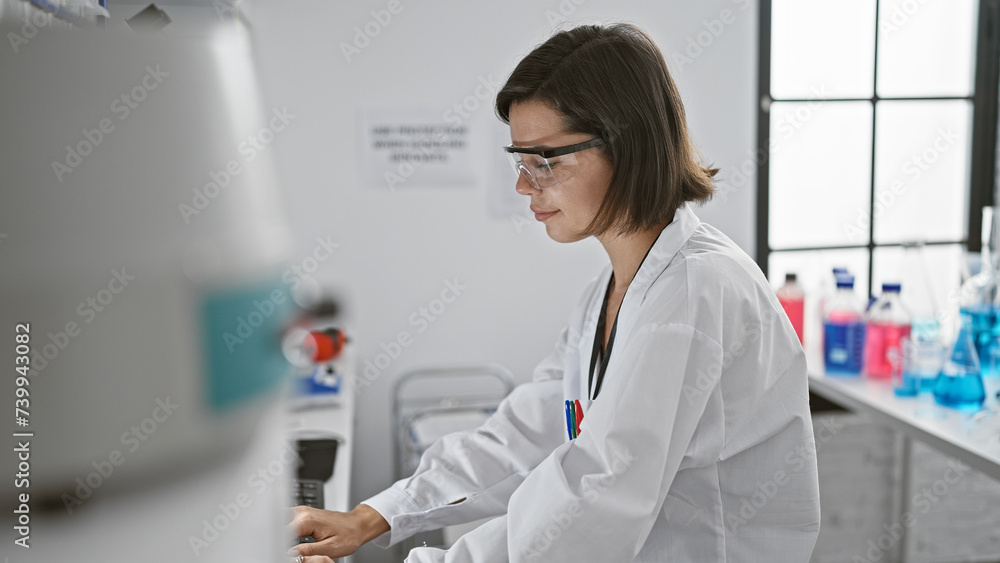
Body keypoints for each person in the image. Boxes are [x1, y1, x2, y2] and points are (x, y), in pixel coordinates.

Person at [290, 23, 820, 562]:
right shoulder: (612, 291)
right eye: (519, 160)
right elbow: (530, 433)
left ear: (627, 145)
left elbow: (595, 499)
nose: (523, 184)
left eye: (544, 160)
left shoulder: (696, 294)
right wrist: (376, 515)